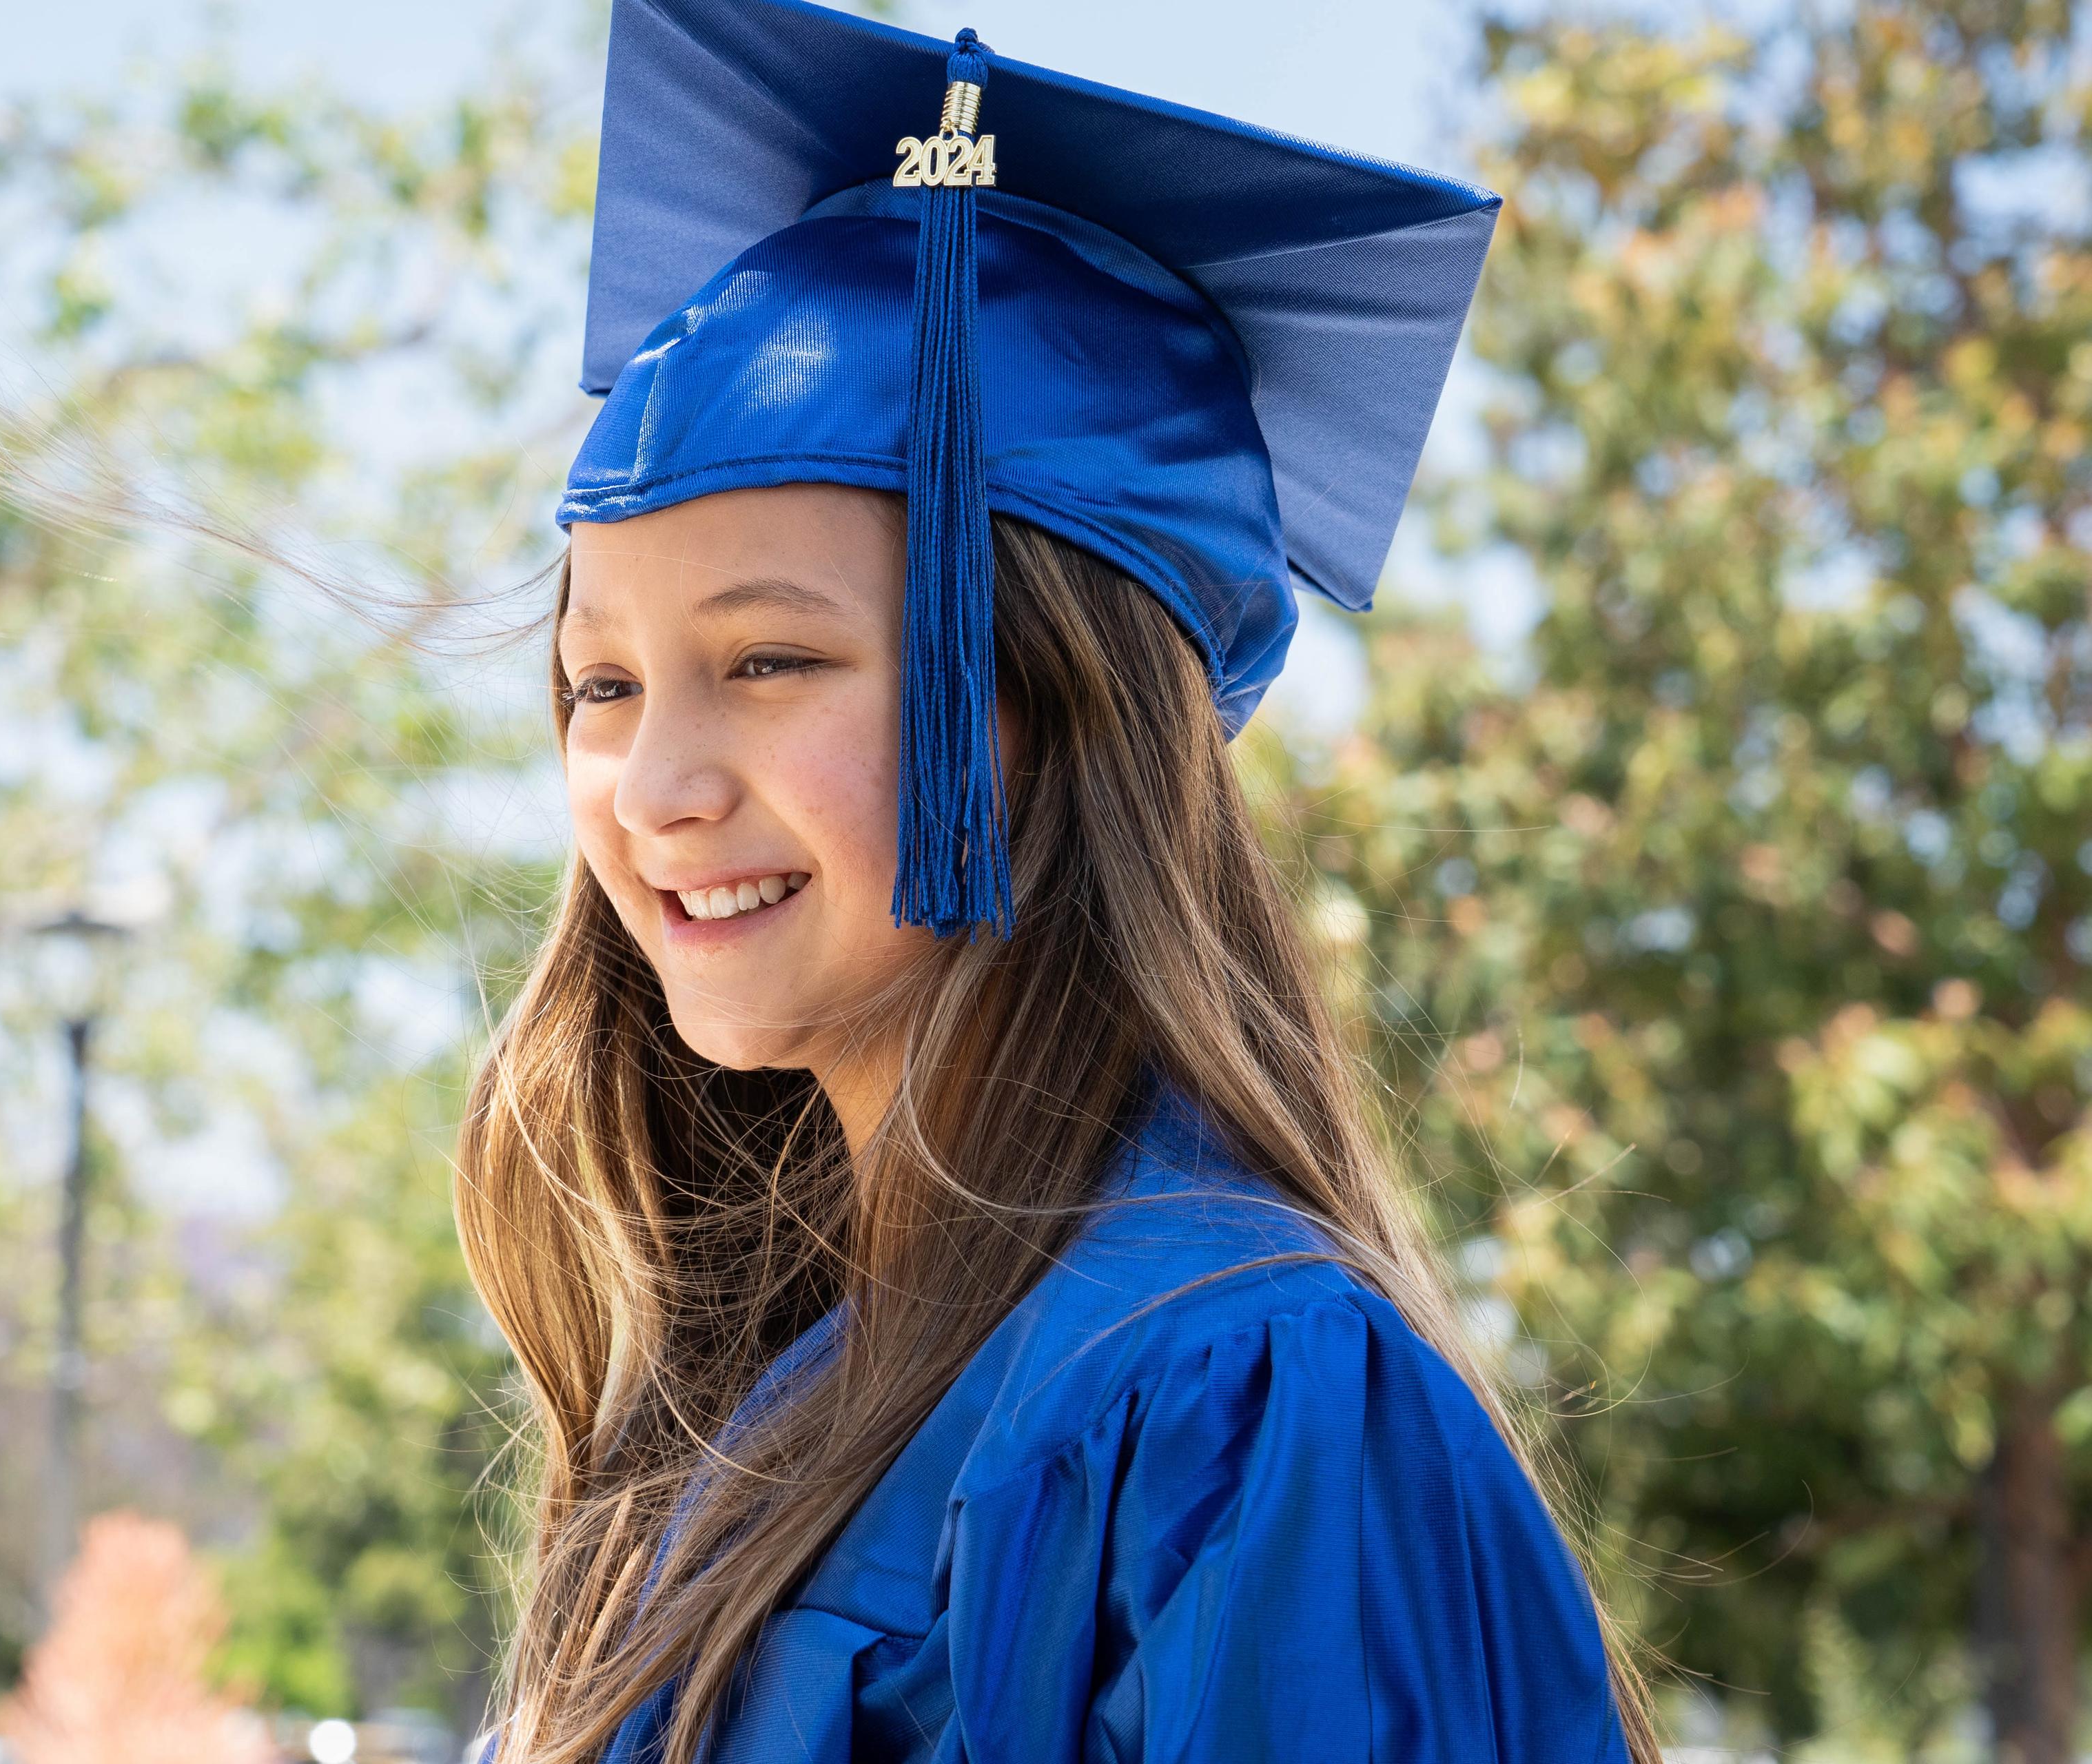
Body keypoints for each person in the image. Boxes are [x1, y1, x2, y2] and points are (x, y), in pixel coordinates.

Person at [454, 2, 1654, 1760]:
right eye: (601, 684)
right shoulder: (781, 1395)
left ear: (1054, 709)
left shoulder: (1240, 1392)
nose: (655, 786)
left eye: (772, 661)